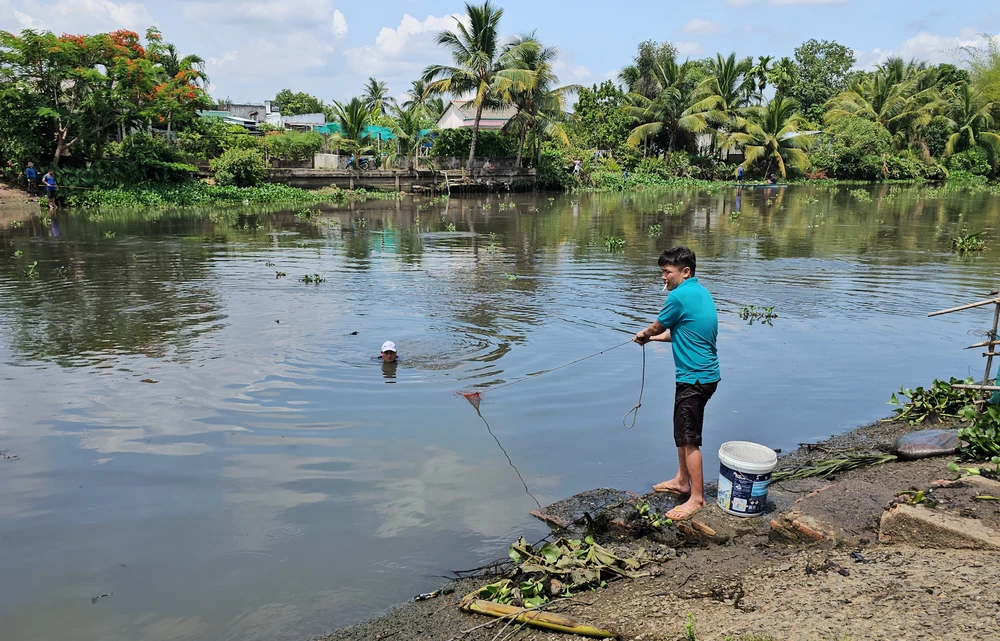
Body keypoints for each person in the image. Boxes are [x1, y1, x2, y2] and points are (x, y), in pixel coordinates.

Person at [632, 246, 720, 521]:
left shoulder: (678, 296)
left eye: (667, 271)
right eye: (662, 272)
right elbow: (682, 331)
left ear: (685, 271)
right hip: (703, 376)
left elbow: (658, 326)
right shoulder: (700, 292)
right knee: (682, 433)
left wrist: (645, 334)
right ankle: (682, 481)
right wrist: (652, 339)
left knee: (689, 439)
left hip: (694, 378)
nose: (663, 277)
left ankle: (697, 498)